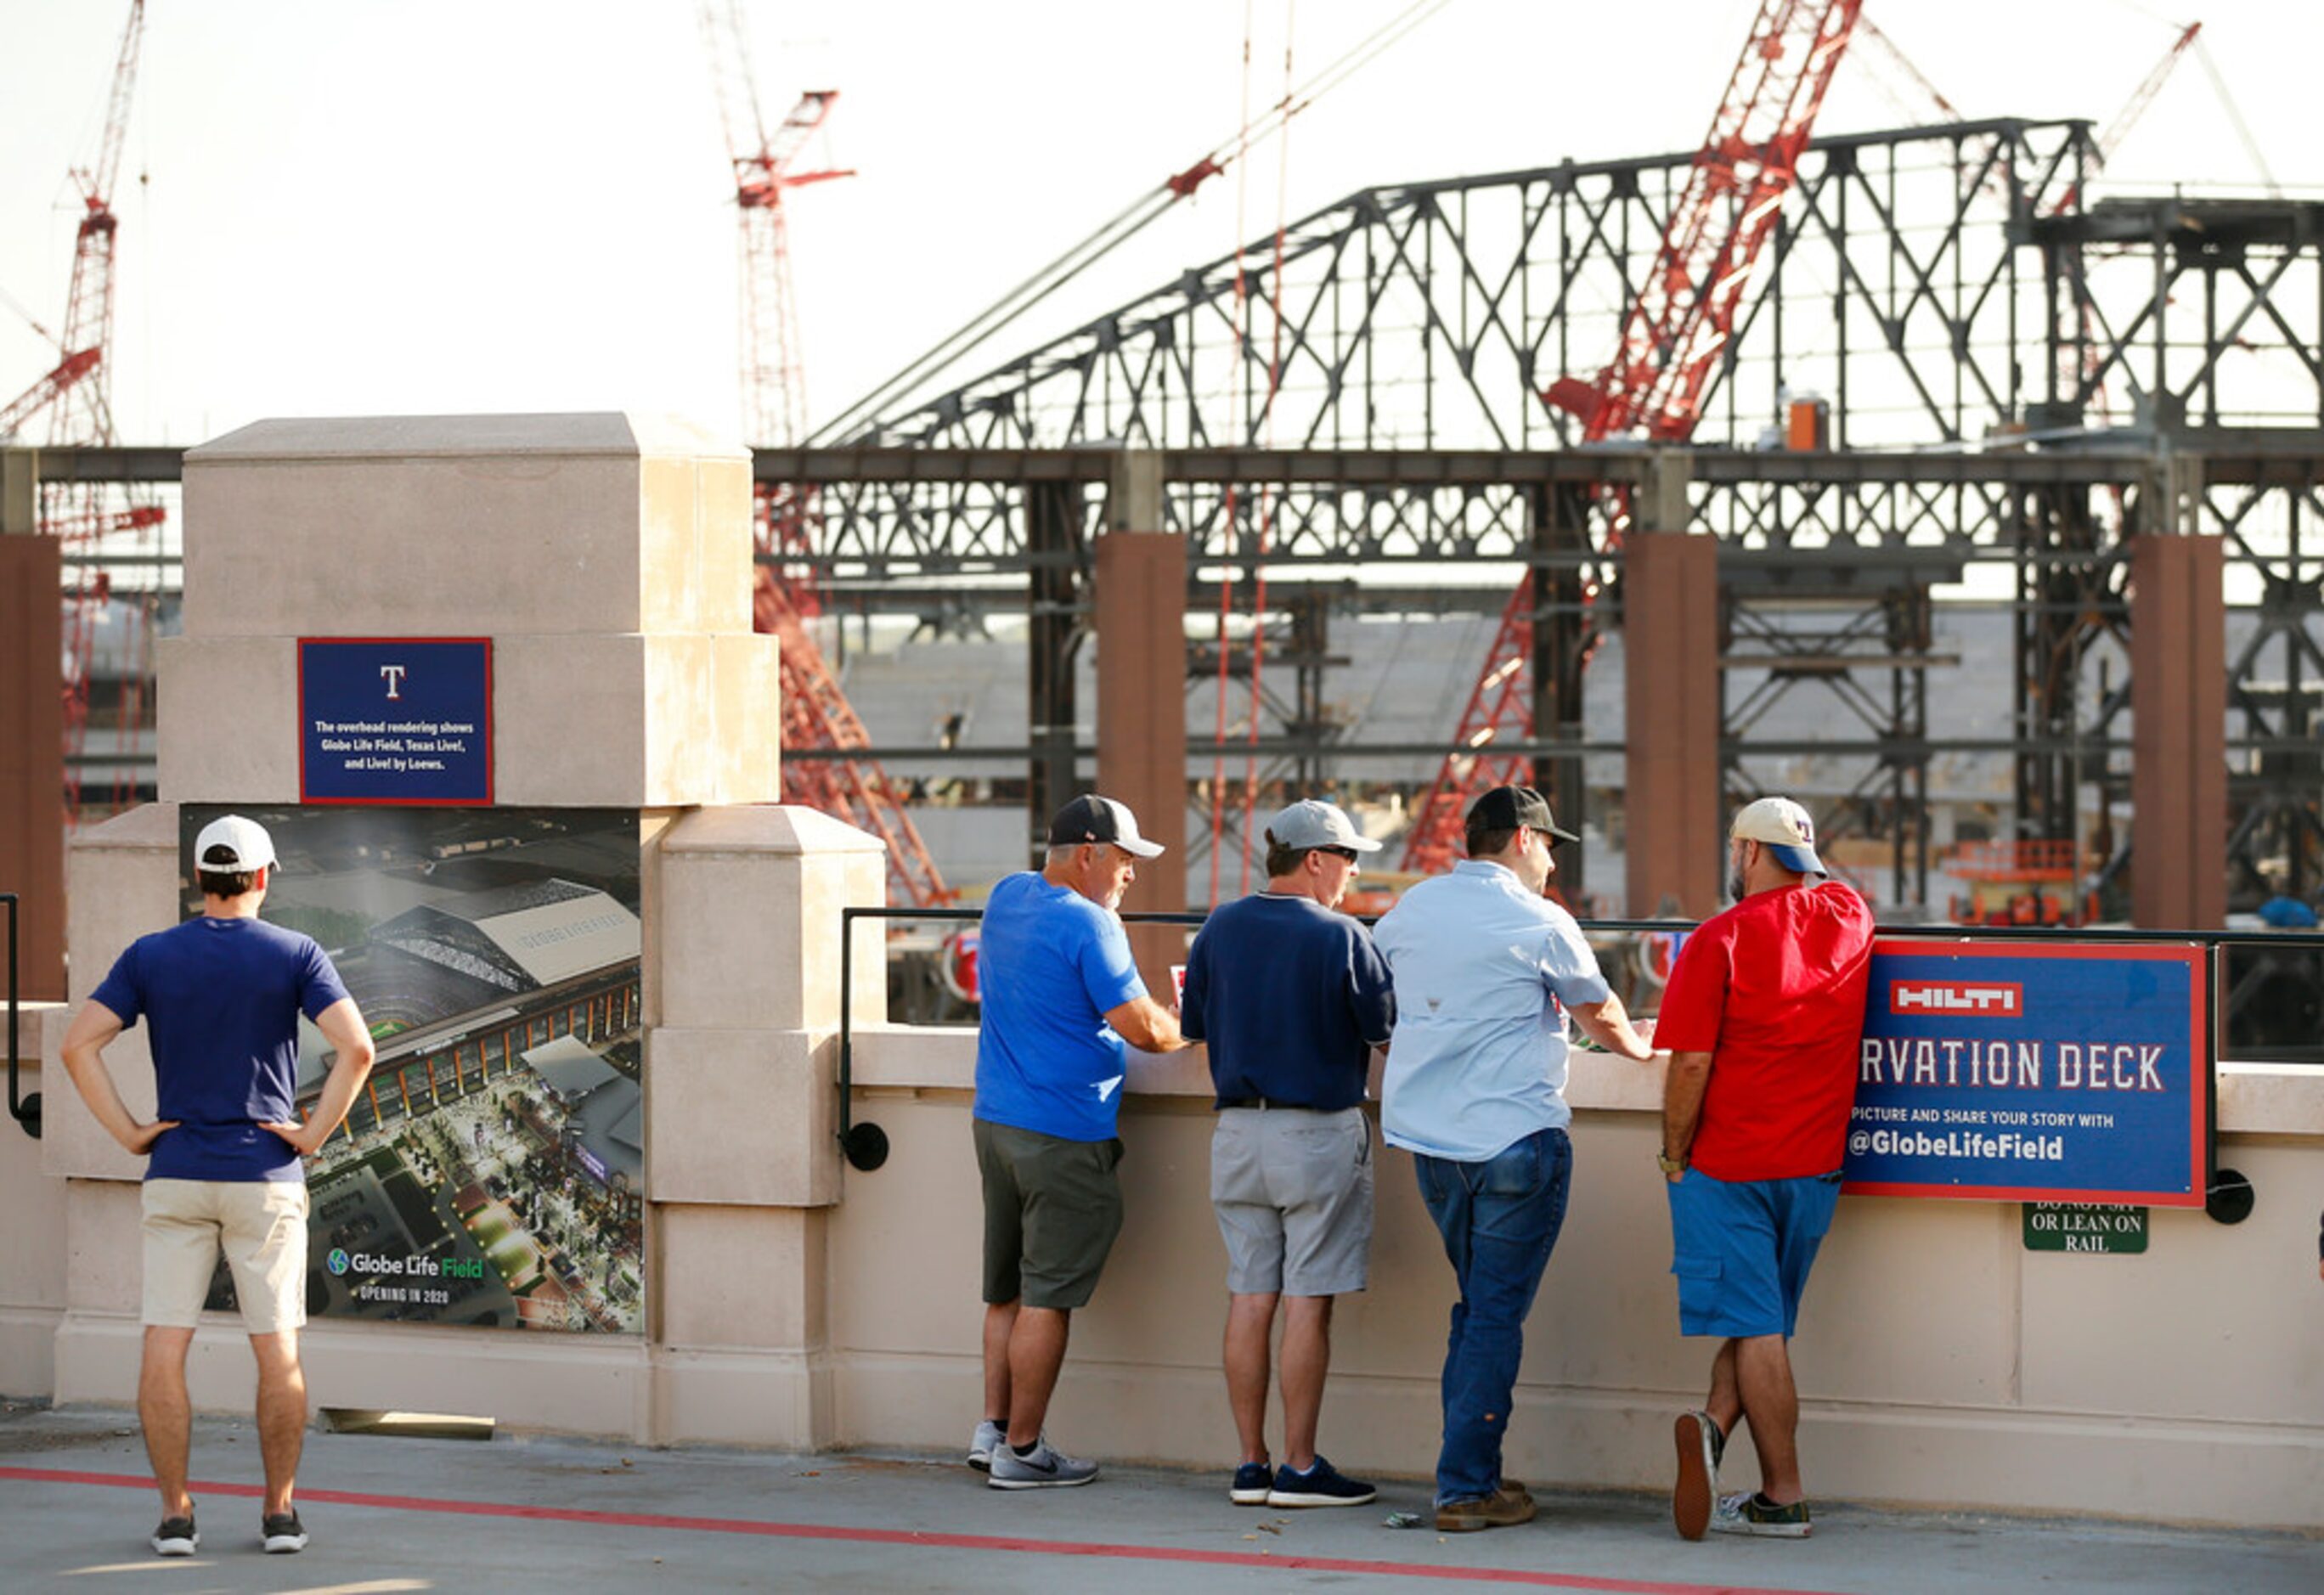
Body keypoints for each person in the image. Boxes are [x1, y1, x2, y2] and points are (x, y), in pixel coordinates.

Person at [58, 814, 377, 1558]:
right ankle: (280, 1515)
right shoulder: (297, 952)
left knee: (164, 1348)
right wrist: (312, 1136)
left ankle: (175, 1517)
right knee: (278, 1351)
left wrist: (132, 1133)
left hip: (176, 1175)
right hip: (264, 1176)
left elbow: (78, 1045)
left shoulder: (150, 955)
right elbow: (357, 1049)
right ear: (264, 877)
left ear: (199, 879)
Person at [1372, 786, 1657, 1532]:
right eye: (1552, 845)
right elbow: (1602, 1014)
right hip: (1513, 1144)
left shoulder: (1409, 911)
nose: (1555, 861)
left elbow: (1378, 1002)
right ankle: (1464, 1488)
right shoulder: (1541, 919)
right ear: (1525, 841)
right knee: (1493, 1316)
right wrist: (1645, 1051)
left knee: (1476, 1313)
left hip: (1430, 1145)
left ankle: (1473, 1476)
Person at [1656, 796, 1873, 1541]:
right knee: (1764, 1324)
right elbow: (1825, 889)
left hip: (1728, 1166)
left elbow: (1688, 1064)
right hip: (1814, 1166)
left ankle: (1784, 1496)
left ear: (1747, 853)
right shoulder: (1851, 916)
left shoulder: (1716, 940)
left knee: (1755, 1328)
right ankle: (1711, 1428)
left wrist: (1674, 1153)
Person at [968, 795, 1189, 1489]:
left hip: (996, 1122)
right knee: (1046, 1299)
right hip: (1062, 1133)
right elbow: (1146, 1031)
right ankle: (1025, 1453)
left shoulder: (1008, 896)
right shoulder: (1090, 925)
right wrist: (1189, 1024)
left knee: (1004, 1293)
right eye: (1125, 861)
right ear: (1090, 854)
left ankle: (993, 1431)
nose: (1132, 877)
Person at [1180, 799, 1396, 1509]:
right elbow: (1385, 1035)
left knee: (1249, 1296)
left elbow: (1198, 1026)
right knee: (1308, 1301)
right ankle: (1300, 1468)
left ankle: (1250, 1465)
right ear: (1315, 860)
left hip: (1238, 1132)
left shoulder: (1217, 927)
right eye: (1347, 858)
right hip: (1317, 1132)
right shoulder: (1342, 936)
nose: (1352, 872)